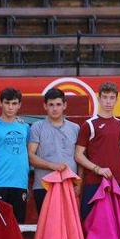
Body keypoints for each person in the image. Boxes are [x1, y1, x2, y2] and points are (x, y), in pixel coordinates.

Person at [74, 81, 120, 221]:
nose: (108, 101)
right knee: (92, 224)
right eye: (105, 97)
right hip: (94, 182)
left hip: (118, 182)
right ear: (99, 99)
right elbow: (78, 155)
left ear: (116, 99)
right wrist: (97, 169)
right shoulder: (89, 125)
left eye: (111, 97)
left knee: (117, 224)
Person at [27, 87, 78, 217]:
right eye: (51, 105)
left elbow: (79, 158)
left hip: (69, 185)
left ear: (65, 105)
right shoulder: (37, 127)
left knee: (69, 229)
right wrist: (53, 166)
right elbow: (31, 156)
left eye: (58, 104)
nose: (55, 108)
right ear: (45, 106)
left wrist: (79, 184)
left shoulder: (75, 128)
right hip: (44, 185)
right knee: (48, 230)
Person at [0, 86, 30, 225]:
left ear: (19, 105)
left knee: (18, 227)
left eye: (14, 103)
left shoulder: (25, 127)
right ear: (0, 103)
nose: (10, 107)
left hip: (21, 184)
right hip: (0, 184)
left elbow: (27, 154)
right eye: (7, 103)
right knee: (0, 228)